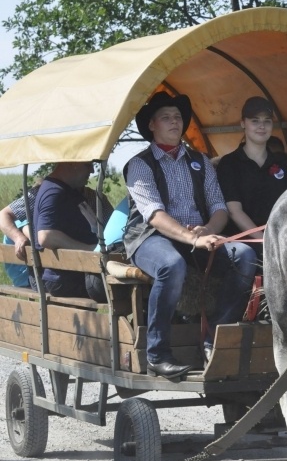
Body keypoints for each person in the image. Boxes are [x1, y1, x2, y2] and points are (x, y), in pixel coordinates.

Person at [124, 91, 257, 379]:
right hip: (150, 237)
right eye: (166, 117)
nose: (175, 122)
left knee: (245, 256)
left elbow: (219, 207)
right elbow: (155, 216)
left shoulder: (200, 161)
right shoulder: (140, 164)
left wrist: (208, 230)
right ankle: (157, 354)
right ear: (152, 125)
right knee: (171, 265)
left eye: (178, 117)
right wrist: (194, 239)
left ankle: (213, 339)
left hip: (196, 236)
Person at [216, 96, 287, 255]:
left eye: (267, 121)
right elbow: (234, 211)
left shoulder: (283, 162)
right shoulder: (229, 163)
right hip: (245, 243)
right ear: (242, 123)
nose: (262, 126)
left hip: (280, 239)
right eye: (255, 121)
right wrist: (265, 241)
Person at [31, 162, 109, 302]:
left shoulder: (64, 189)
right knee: (131, 287)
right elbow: (46, 236)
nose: (92, 170)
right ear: (73, 163)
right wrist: (91, 249)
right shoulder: (54, 192)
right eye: (88, 165)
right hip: (67, 278)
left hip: (77, 272)